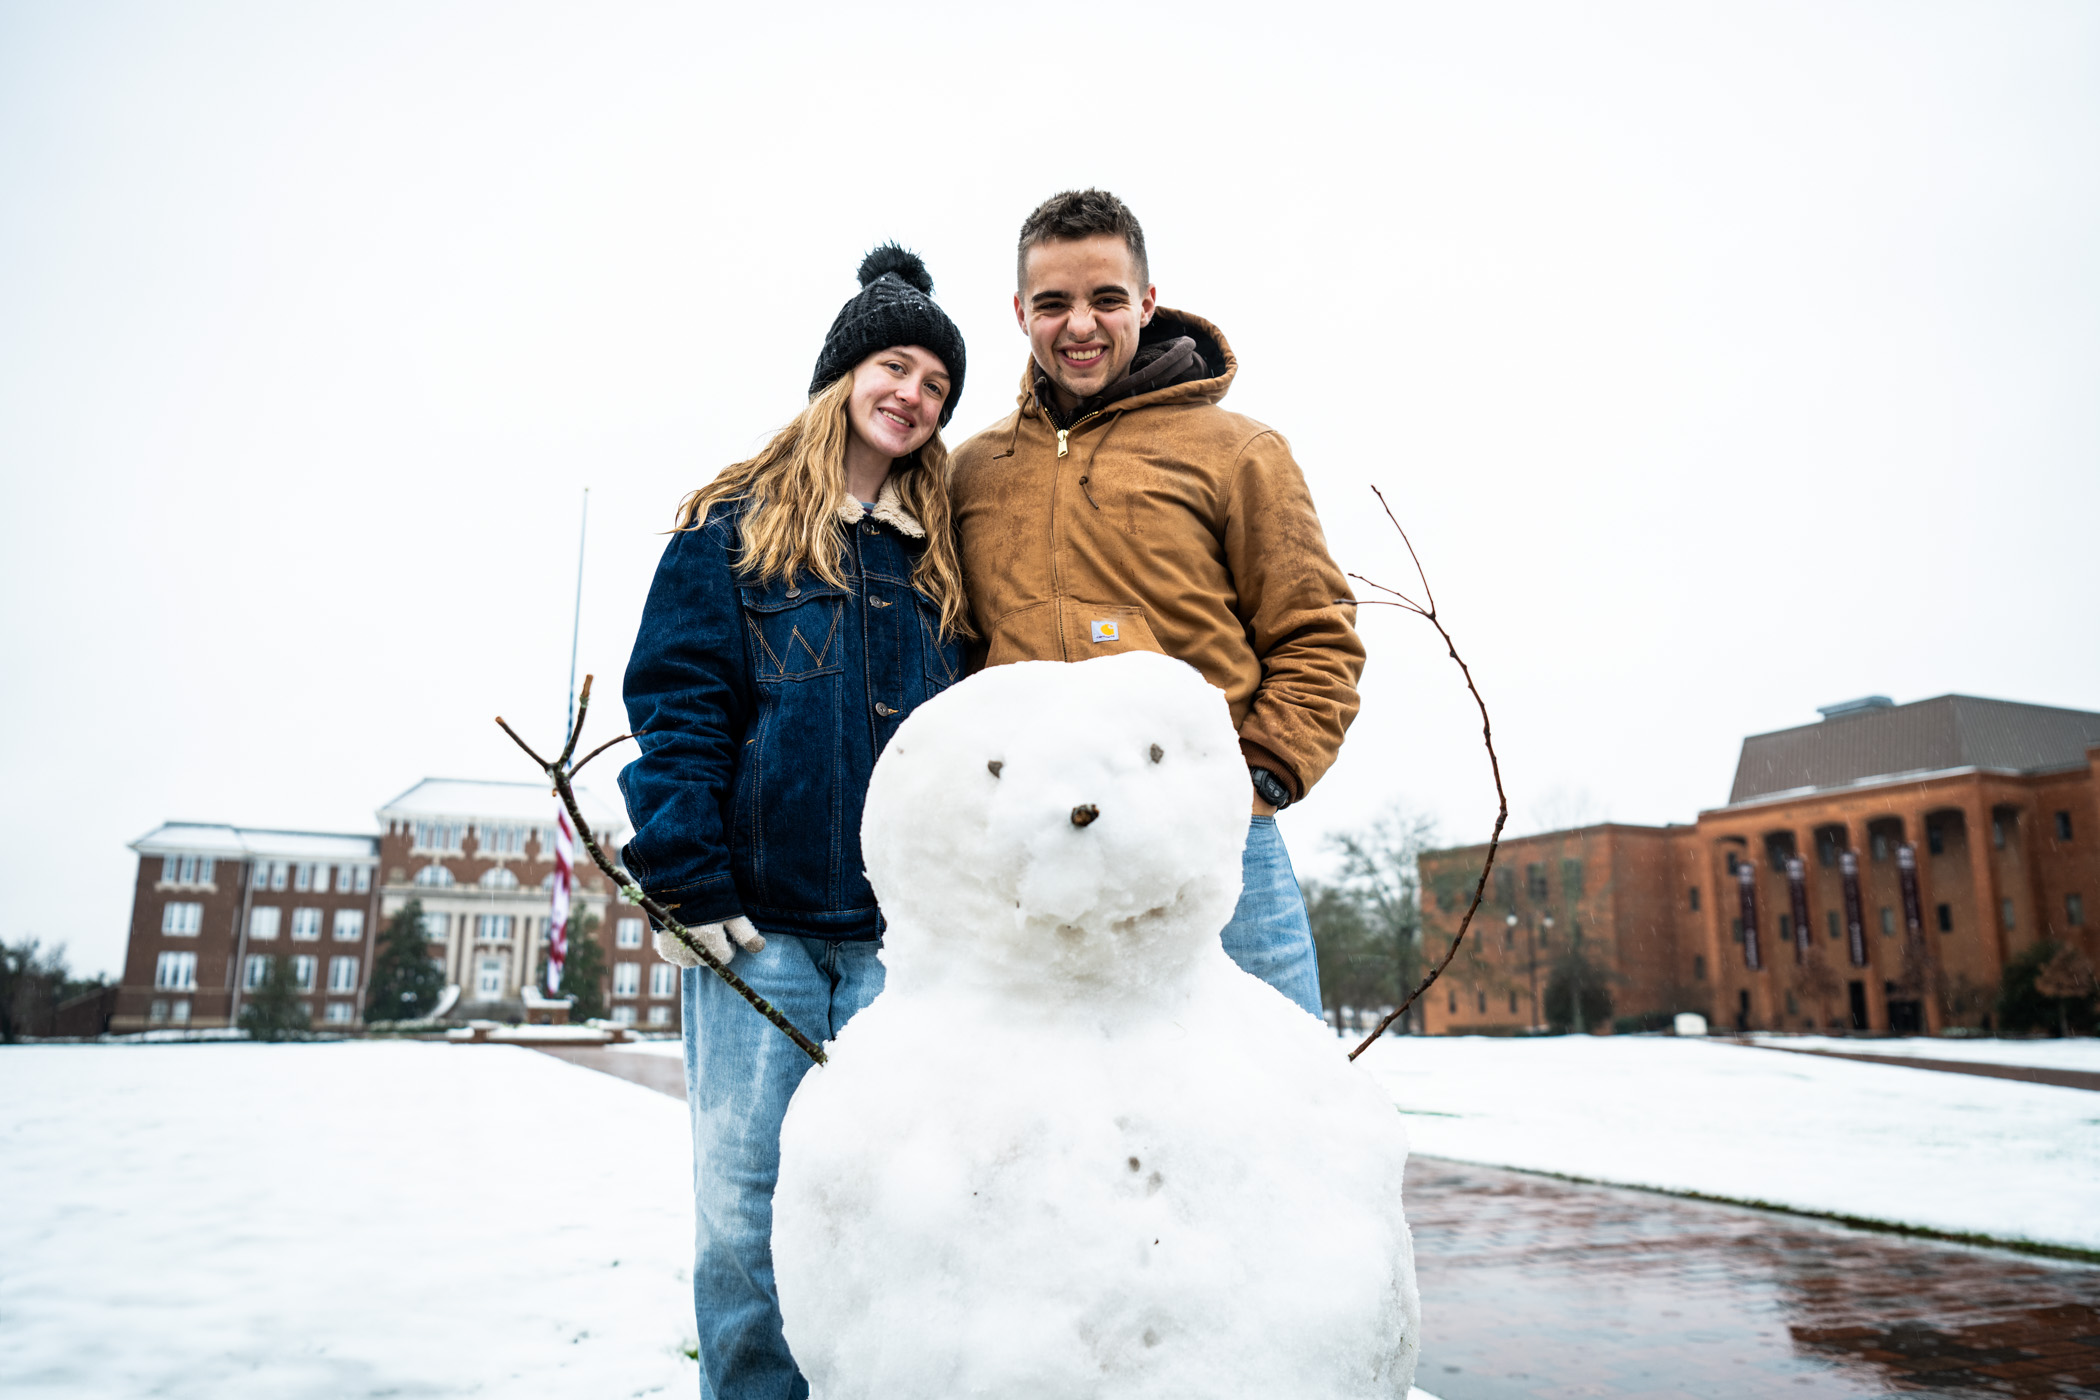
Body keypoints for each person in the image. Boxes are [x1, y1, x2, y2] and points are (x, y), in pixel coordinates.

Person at [618, 244, 969, 1399]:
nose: (911, 393)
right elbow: (677, 708)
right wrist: (688, 875)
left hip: (897, 949)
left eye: (935, 381)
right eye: (893, 364)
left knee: (897, 1204)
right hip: (757, 935)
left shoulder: (944, 565)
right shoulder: (733, 528)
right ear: (841, 375)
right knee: (745, 1210)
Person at [948, 189, 1364, 1018]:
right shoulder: (971, 470)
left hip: (1214, 852)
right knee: (1068, 1125)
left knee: (1271, 1120)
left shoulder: (1239, 451)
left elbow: (1318, 639)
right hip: (1035, 858)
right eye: (1053, 303)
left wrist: (1257, 784)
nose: (1080, 326)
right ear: (1019, 311)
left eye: (1106, 299)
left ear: (1145, 301)